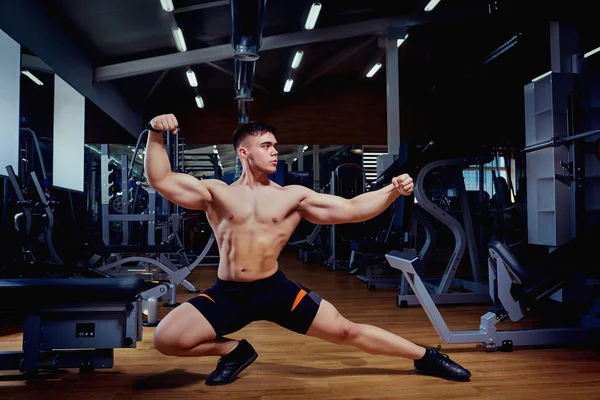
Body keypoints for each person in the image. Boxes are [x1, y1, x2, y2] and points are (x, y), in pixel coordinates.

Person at [144, 114, 472, 386]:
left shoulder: (292, 196)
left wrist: (392, 191)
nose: (275, 152)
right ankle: (234, 351)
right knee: (166, 339)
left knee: (347, 331)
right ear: (244, 153)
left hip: (275, 290)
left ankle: (426, 356)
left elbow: (353, 208)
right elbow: (162, 179)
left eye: (275, 145)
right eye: (267, 146)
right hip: (228, 293)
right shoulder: (215, 193)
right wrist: (155, 133)